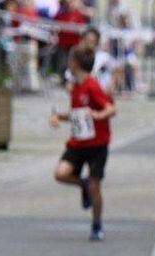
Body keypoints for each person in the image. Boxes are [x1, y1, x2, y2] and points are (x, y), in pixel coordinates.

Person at [50, 44, 115, 242]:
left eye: (70, 61)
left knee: (96, 187)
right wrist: (59, 117)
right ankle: (83, 184)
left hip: (97, 144)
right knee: (61, 174)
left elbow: (110, 109)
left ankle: (97, 224)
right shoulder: (76, 87)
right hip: (78, 142)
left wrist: (97, 114)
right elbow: (77, 115)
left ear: (75, 63)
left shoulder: (92, 86)